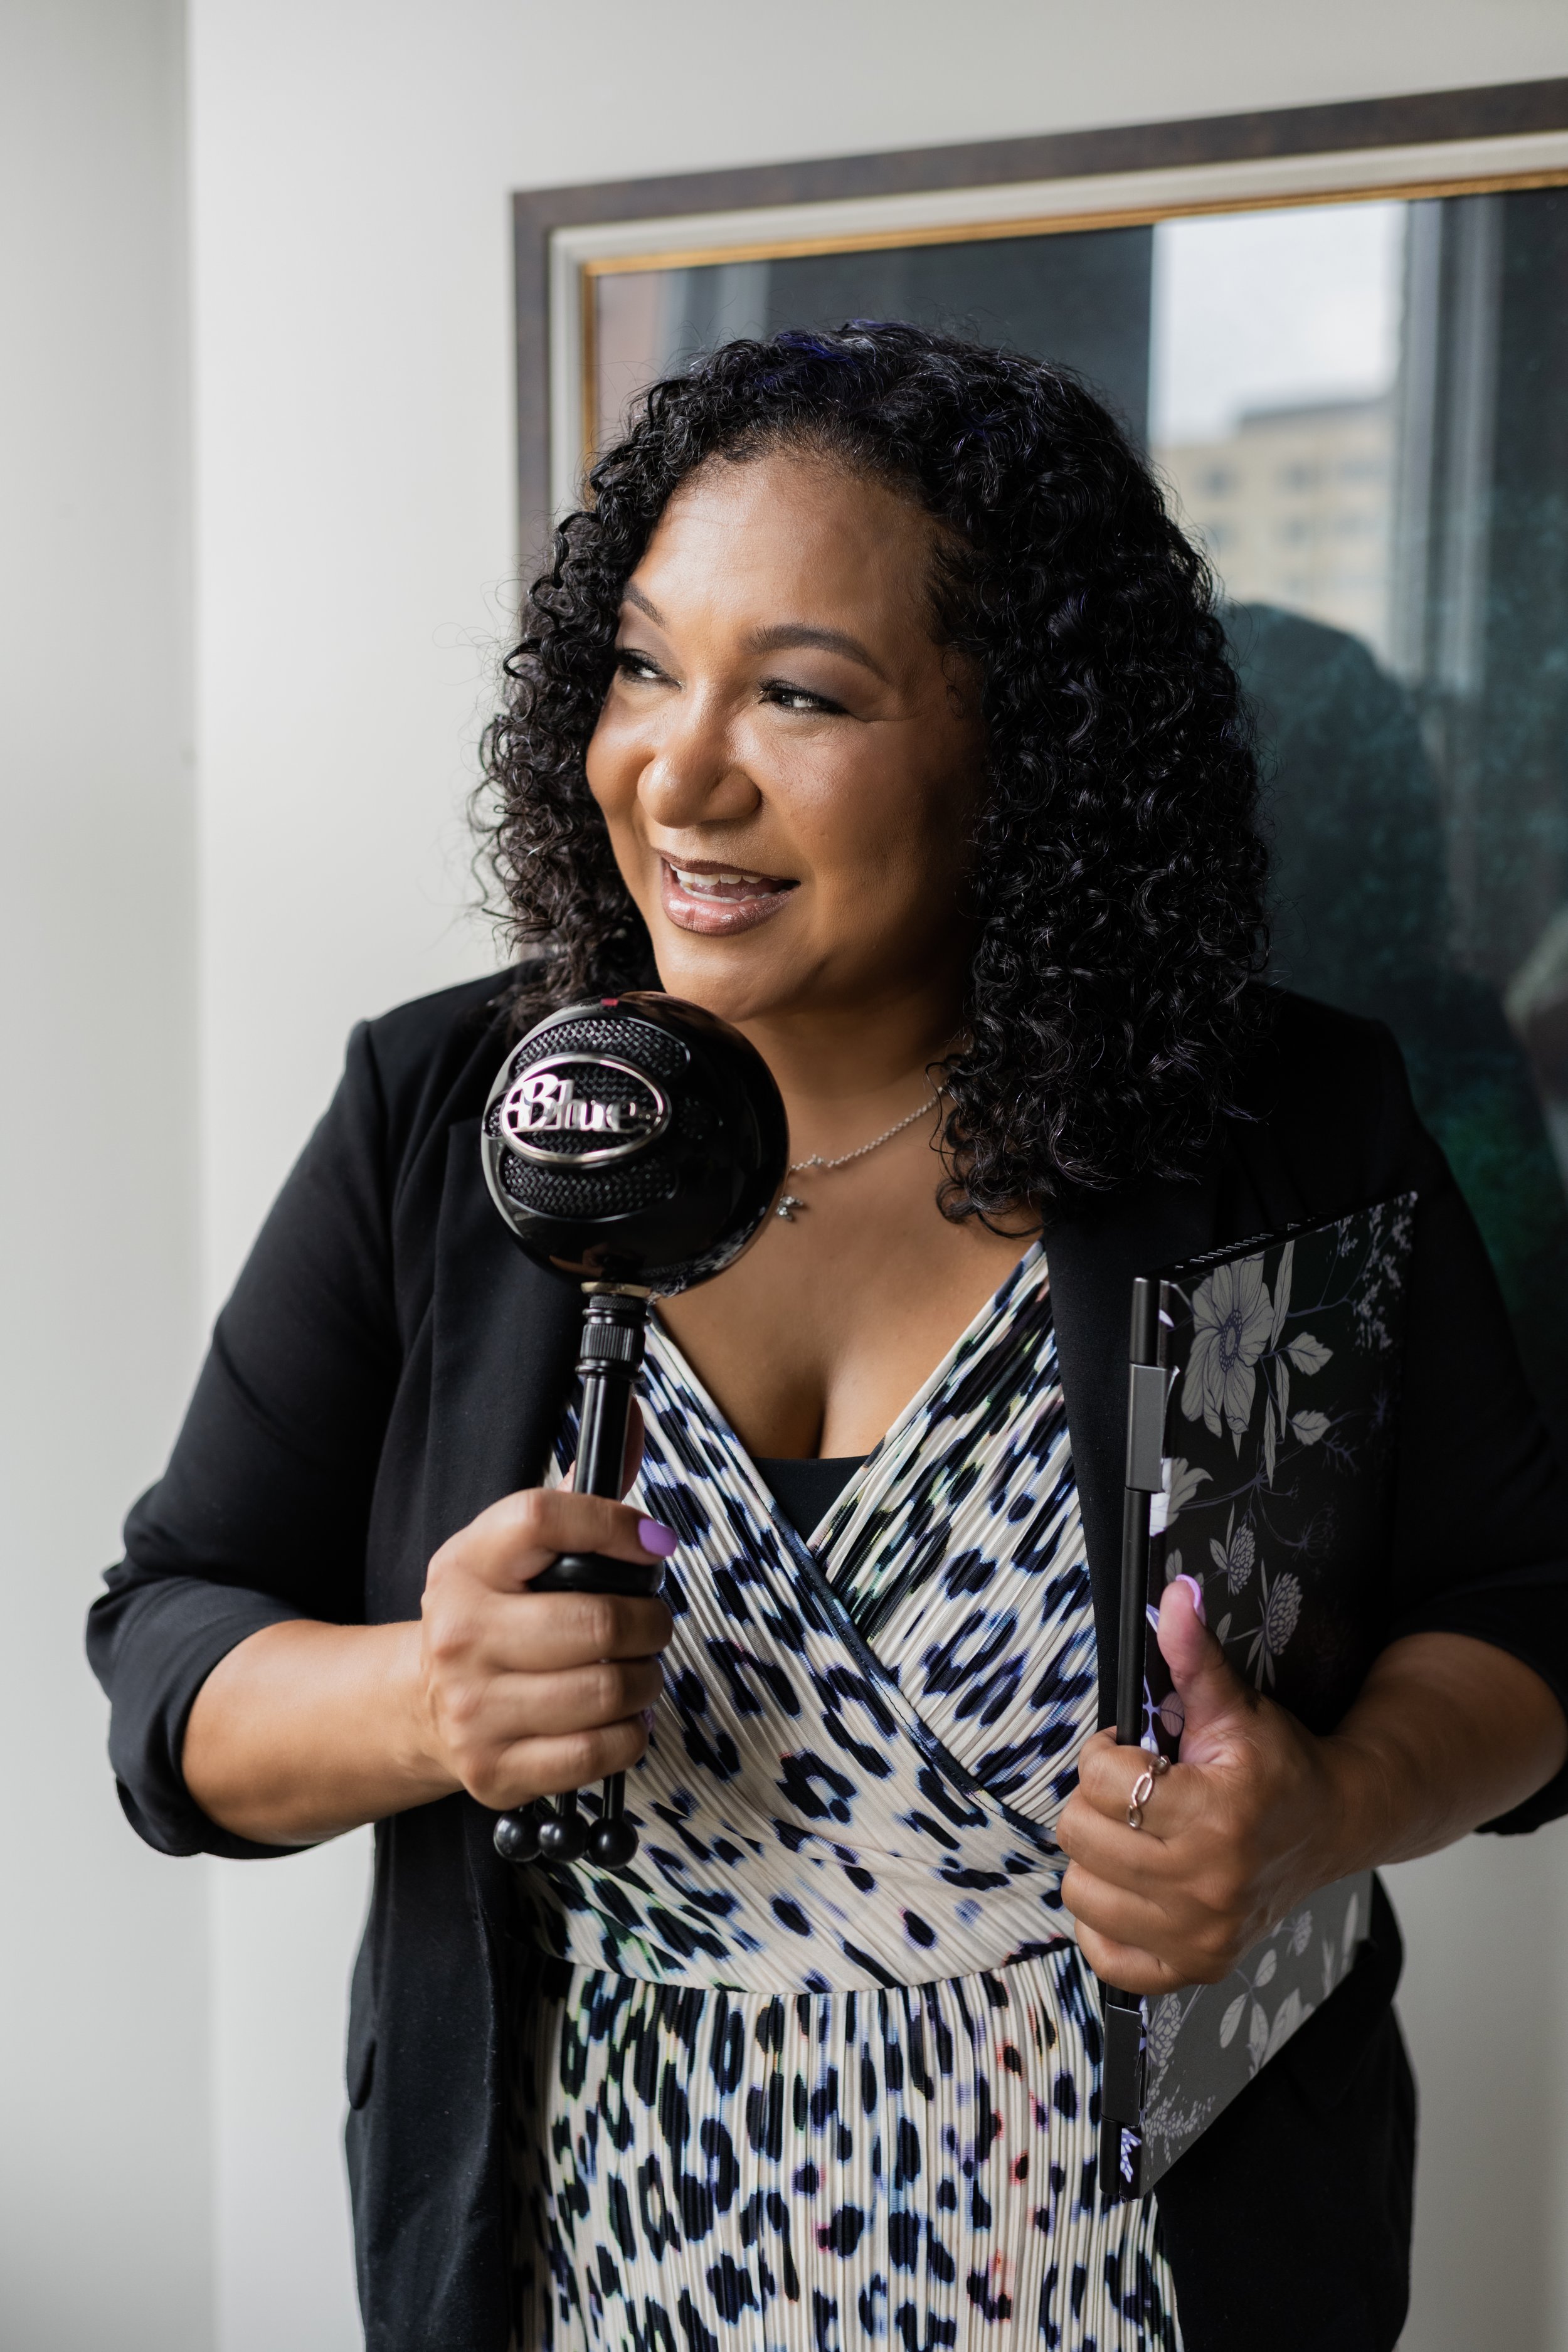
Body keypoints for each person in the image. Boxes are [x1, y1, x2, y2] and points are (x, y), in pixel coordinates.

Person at [88, 326, 1568, 2352]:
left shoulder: (1285, 1129)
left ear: (1020, 751)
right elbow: (173, 1647)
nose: (678, 771)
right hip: (582, 2276)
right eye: (638, 665)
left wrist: (1328, 1803)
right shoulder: (448, 1114)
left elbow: (1526, 1605)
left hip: (1167, 2283)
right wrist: (425, 1701)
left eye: (797, 693)